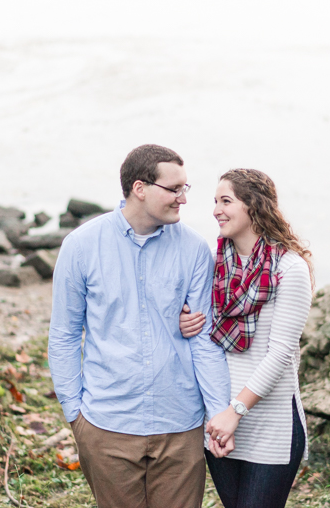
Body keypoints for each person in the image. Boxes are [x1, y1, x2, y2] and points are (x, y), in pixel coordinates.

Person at [48, 144, 232, 508]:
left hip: (180, 422)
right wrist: (75, 414)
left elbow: (204, 340)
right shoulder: (81, 246)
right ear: (140, 188)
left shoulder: (196, 250)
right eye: (174, 189)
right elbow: (65, 334)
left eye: (185, 188)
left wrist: (218, 412)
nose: (183, 199)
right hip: (107, 424)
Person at [179, 168, 314, 508]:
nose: (216, 210)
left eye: (226, 201)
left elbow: (281, 353)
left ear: (254, 205)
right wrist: (184, 323)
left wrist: (235, 411)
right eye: (215, 202)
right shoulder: (212, 262)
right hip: (219, 420)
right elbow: (198, 334)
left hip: (270, 421)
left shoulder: (289, 267)